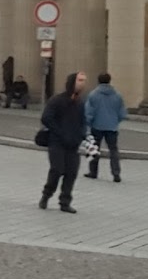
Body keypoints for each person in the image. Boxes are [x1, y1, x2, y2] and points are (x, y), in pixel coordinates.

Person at [39, 71, 87, 213]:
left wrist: (82, 135)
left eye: (84, 81)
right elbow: (46, 118)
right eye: (80, 80)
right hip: (57, 143)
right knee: (57, 170)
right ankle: (46, 195)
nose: (82, 84)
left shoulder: (80, 103)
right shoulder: (57, 100)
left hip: (73, 144)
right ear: (72, 82)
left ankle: (65, 202)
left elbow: (83, 121)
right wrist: (60, 133)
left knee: (71, 173)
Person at [83, 72, 127, 183]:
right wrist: (115, 121)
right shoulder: (117, 95)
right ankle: (116, 173)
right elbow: (122, 113)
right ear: (109, 81)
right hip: (112, 127)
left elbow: (89, 112)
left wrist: (88, 123)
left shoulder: (93, 95)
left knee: (94, 149)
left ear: (98, 81)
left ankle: (93, 172)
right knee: (113, 150)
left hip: (96, 126)